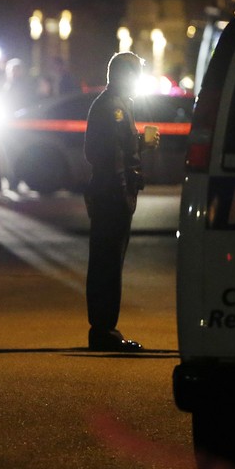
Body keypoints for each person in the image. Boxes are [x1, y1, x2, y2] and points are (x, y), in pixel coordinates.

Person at [83, 52, 159, 352]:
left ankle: (103, 328)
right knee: (108, 264)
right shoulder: (113, 107)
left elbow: (115, 149)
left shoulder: (115, 104)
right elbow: (110, 158)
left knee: (107, 262)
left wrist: (140, 144)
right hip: (112, 195)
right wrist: (123, 195)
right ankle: (104, 330)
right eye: (137, 74)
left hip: (110, 193)